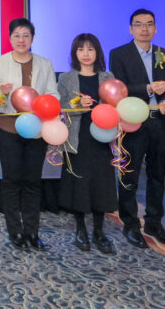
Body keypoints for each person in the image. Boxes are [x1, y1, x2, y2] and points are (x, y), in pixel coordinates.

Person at [108, 8, 165, 249]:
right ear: (131, 29)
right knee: (130, 174)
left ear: (155, 28)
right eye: (138, 24)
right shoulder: (119, 54)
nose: (144, 28)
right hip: (133, 121)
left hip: (160, 121)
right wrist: (148, 89)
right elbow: (119, 88)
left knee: (158, 175)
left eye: (149, 24)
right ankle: (130, 223)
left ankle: (154, 223)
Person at [0, 17, 59, 250]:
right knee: (11, 180)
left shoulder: (45, 64)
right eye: (17, 35)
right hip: (8, 127)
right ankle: (15, 232)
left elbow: (54, 94)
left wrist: (46, 103)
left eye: (26, 35)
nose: (21, 40)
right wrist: (1, 92)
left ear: (32, 38)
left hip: (36, 129)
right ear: (10, 38)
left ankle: (32, 232)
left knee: (32, 181)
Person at [57, 34, 118, 254]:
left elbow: (116, 103)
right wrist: (76, 104)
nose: (85, 54)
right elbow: (60, 107)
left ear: (97, 52)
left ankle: (99, 231)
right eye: (81, 49)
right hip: (77, 136)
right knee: (79, 183)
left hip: (102, 137)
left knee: (101, 183)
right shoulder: (66, 78)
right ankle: (80, 229)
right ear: (74, 53)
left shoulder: (108, 76)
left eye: (90, 49)